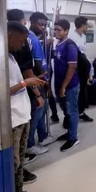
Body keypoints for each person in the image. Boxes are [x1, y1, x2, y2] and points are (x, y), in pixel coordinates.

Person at [7, 21, 46, 192]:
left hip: (23, 116)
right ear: (9, 36)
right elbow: (2, 92)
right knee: (12, 162)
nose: (23, 45)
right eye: (21, 41)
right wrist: (25, 82)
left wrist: (34, 81)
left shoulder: (12, 57)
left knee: (20, 160)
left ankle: (19, 191)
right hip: (13, 119)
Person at [26, 12, 56, 155]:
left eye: (45, 25)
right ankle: (30, 144)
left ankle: (43, 136)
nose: (43, 28)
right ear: (30, 21)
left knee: (42, 111)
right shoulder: (34, 40)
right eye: (40, 24)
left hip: (35, 80)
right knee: (37, 112)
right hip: (38, 81)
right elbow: (40, 65)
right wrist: (46, 82)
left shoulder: (34, 39)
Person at [53, 19, 80, 152]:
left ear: (66, 31)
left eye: (59, 30)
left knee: (72, 111)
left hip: (70, 85)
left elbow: (72, 67)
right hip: (60, 84)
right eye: (55, 29)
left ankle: (73, 138)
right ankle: (70, 131)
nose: (56, 32)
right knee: (65, 110)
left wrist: (64, 86)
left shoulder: (70, 45)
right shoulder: (59, 44)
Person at [68, 16, 96, 122]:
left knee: (82, 93)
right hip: (75, 69)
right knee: (74, 94)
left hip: (83, 69)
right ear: (82, 25)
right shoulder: (71, 36)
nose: (87, 27)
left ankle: (80, 112)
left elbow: (84, 54)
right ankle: (69, 117)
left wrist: (90, 71)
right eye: (87, 25)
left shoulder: (83, 37)